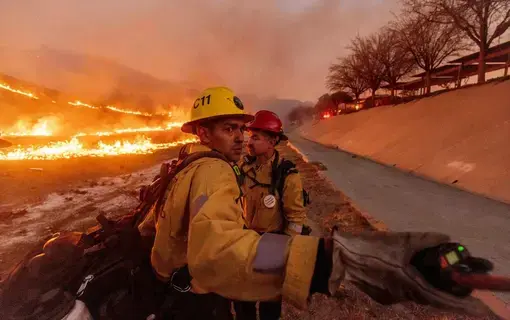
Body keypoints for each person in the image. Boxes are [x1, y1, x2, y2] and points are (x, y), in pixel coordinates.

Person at [142, 86, 492, 319]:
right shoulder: (214, 172)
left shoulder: (186, 166)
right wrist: (329, 258)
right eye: (229, 129)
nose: (242, 138)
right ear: (203, 133)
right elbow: (223, 247)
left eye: (243, 129)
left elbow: (157, 227)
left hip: (186, 285)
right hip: (196, 294)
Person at [234, 110, 308, 320]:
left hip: (272, 245)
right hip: (244, 243)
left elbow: (295, 218)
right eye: (250, 136)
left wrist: (287, 254)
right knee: (243, 301)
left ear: (273, 141)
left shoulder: (286, 174)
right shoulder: (243, 167)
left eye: (256, 137)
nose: (249, 141)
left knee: (269, 304)